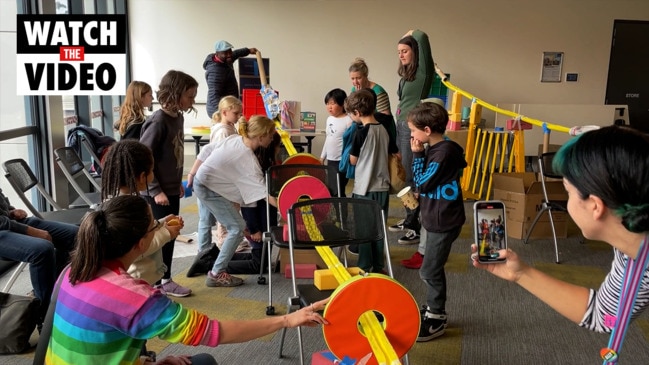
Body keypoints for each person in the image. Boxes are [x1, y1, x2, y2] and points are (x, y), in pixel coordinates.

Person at [45, 195, 328, 364]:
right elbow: (214, 332)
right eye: (155, 226)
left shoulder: (73, 271)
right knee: (204, 361)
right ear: (142, 243)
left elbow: (88, 346)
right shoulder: (137, 298)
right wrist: (286, 320)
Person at [472, 126, 649, 344]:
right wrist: (520, 273)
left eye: (567, 191)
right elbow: (606, 317)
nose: (567, 200)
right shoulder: (630, 250)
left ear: (595, 205)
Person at [187, 115, 278, 287]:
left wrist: (193, 173)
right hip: (207, 187)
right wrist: (289, 209)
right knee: (236, 228)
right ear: (261, 137)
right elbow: (266, 195)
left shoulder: (235, 139)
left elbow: (206, 150)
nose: (272, 139)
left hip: (205, 182)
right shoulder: (250, 162)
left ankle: (210, 258)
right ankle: (216, 273)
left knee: (235, 226)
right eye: (271, 135)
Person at [406, 102, 467, 342]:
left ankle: (437, 316)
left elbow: (422, 181)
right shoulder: (439, 148)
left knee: (430, 270)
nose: (412, 136)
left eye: (413, 131)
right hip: (434, 216)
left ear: (428, 130)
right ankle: (433, 307)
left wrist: (418, 154)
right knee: (431, 268)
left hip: (444, 220)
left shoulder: (443, 152)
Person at [139, 70, 198, 297]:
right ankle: (156, 283)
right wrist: (155, 190)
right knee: (158, 238)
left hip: (170, 188)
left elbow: (174, 155)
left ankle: (165, 279)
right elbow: (144, 157)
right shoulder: (158, 121)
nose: (192, 101)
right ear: (175, 94)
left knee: (171, 234)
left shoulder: (178, 117)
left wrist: (176, 183)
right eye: (190, 96)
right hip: (155, 192)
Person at [100, 139, 184, 285]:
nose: (153, 174)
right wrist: (167, 233)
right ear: (142, 177)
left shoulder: (115, 201)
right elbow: (136, 248)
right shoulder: (131, 208)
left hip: (136, 277)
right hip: (139, 279)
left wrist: (162, 223)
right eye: (152, 170)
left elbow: (141, 231)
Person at [0, 188, 78, 327]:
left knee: (75, 234)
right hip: (3, 228)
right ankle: (45, 319)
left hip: (7, 222)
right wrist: (30, 230)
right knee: (41, 250)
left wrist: (11, 210)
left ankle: (55, 294)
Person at [391, 29, 434, 247]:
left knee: (410, 178)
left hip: (410, 129)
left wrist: (414, 32)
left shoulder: (423, 74)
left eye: (405, 51)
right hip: (402, 125)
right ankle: (409, 216)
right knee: (403, 174)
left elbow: (423, 41)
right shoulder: (407, 75)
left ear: (414, 52)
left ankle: (414, 225)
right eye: (399, 51)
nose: (401, 54)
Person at [196, 96, 244, 266]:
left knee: (211, 217)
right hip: (212, 181)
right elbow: (219, 157)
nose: (239, 116)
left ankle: (208, 250)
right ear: (225, 112)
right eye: (236, 113)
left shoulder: (229, 127)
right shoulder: (223, 131)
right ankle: (204, 252)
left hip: (214, 180)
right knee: (209, 218)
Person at [346, 89, 390, 273]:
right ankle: (379, 266)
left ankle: (364, 266)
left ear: (357, 112)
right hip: (383, 187)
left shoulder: (360, 133)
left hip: (364, 188)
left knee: (364, 230)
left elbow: (353, 160)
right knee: (379, 229)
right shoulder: (384, 128)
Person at [204, 40, 258, 117]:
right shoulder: (215, 71)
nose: (229, 55)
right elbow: (213, 96)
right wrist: (224, 113)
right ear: (217, 54)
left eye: (230, 51)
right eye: (226, 53)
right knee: (224, 128)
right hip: (218, 110)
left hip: (227, 107)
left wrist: (248, 51)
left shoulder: (224, 60)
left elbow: (235, 54)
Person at [320, 88, 353, 196]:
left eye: (332, 103)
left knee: (339, 188)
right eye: (327, 103)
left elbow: (351, 142)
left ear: (342, 104)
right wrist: (322, 156)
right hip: (330, 160)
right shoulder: (329, 119)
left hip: (341, 161)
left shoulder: (348, 120)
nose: (329, 107)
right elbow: (328, 138)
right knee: (333, 188)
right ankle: (339, 210)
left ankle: (342, 211)